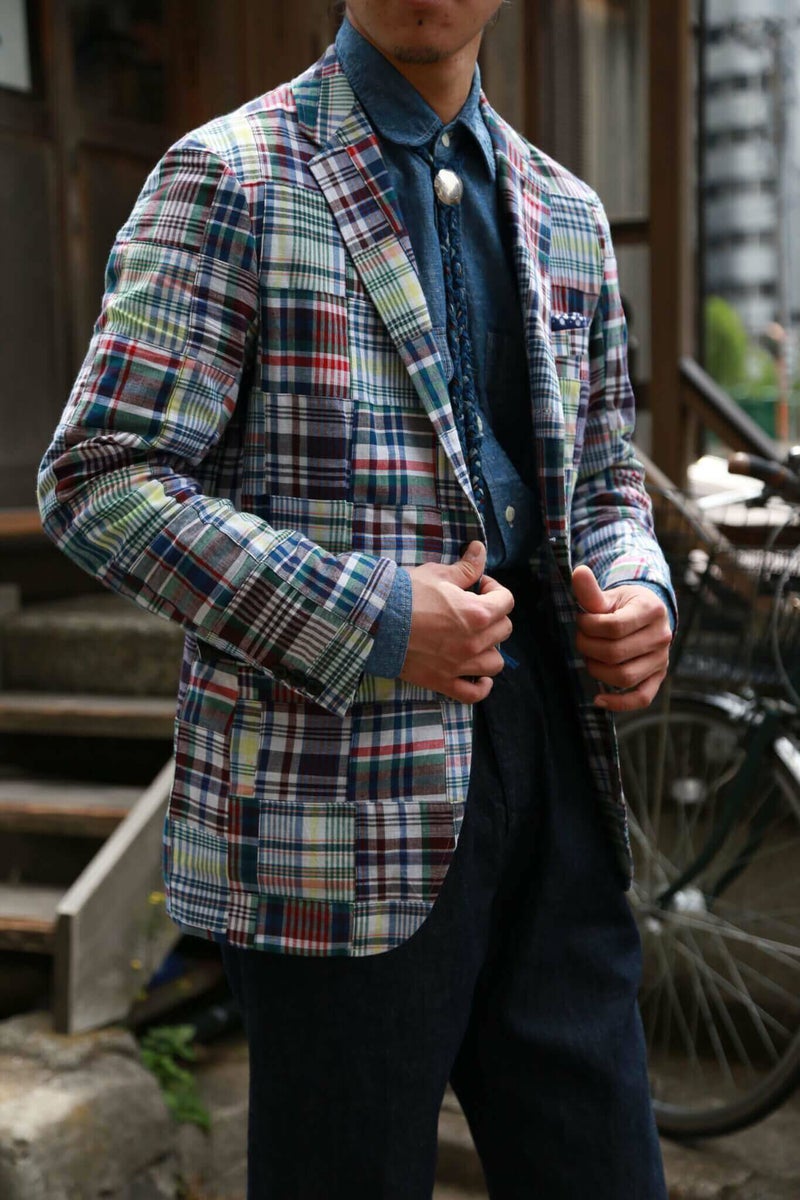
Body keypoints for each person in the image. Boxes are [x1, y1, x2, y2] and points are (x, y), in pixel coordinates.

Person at [38, 2, 675, 1196]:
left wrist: (638, 588)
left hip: (558, 782)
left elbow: (602, 481)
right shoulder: (229, 175)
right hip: (330, 809)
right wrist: (371, 617)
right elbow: (100, 482)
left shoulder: (566, 211)